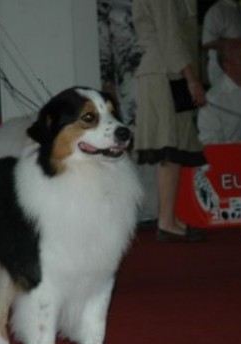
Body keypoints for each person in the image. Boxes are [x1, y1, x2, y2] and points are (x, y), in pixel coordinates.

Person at [132, 0, 206, 242]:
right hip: (165, 73)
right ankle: (166, 222)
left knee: (173, 149)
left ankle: (168, 219)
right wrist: (192, 79)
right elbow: (170, 36)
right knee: (168, 148)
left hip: (168, 72)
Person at [97, 0, 158, 226]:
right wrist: (106, 81)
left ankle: (154, 207)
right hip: (126, 80)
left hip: (154, 76)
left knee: (154, 140)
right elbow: (102, 41)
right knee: (129, 142)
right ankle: (134, 210)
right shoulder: (104, 5)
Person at [201, 0, 241, 87]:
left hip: (239, 65)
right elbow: (207, 42)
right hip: (221, 67)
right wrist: (235, 42)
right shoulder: (217, 11)